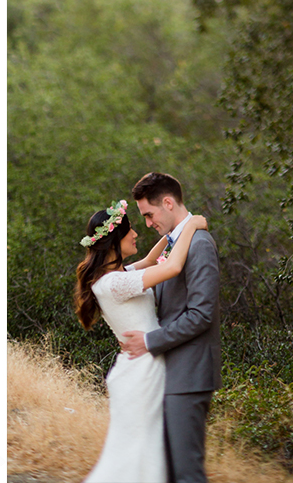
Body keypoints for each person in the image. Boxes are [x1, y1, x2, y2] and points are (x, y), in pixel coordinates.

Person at [75, 197, 209, 483]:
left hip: (140, 366)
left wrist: (172, 234)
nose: (136, 233)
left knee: (142, 450)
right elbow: (171, 268)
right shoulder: (115, 283)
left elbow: (149, 261)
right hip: (141, 371)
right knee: (136, 453)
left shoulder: (118, 275)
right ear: (115, 240)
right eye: (130, 230)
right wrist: (193, 225)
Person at [121, 172, 221, 483]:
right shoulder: (174, 244)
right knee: (165, 471)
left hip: (189, 376)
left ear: (167, 203)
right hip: (169, 374)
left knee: (187, 471)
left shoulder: (199, 244)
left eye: (149, 215)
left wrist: (150, 341)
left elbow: (201, 314)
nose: (148, 224)